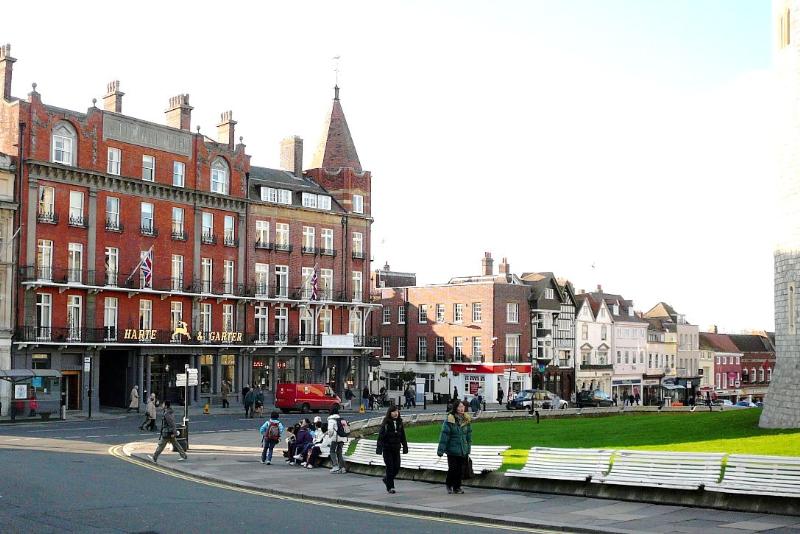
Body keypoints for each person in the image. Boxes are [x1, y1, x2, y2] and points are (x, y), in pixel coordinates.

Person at [437, 400, 472, 495]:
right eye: (459, 407)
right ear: (455, 408)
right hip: (452, 450)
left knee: (460, 470)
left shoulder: (466, 420)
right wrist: (440, 450)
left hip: (462, 449)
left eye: (463, 406)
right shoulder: (449, 420)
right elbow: (444, 436)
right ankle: (449, 485)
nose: (461, 408)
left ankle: (457, 487)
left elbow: (468, 436)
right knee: (453, 468)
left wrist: (468, 448)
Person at [376, 406, 408, 494]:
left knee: (397, 467)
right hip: (387, 449)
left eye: (397, 411)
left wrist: (405, 446)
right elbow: (381, 436)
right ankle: (390, 487)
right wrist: (379, 448)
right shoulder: (386, 423)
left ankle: (387, 479)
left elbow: (403, 436)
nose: (396, 413)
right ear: (390, 413)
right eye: (393, 412)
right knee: (390, 468)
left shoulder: (400, 423)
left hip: (396, 449)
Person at [326, 405, 347, 474]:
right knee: (339, 452)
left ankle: (335, 466)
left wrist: (329, 436)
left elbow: (330, 431)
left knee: (332, 451)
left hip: (335, 438)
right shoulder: (341, 419)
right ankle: (342, 468)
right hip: (343, 437)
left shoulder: (331, 420)